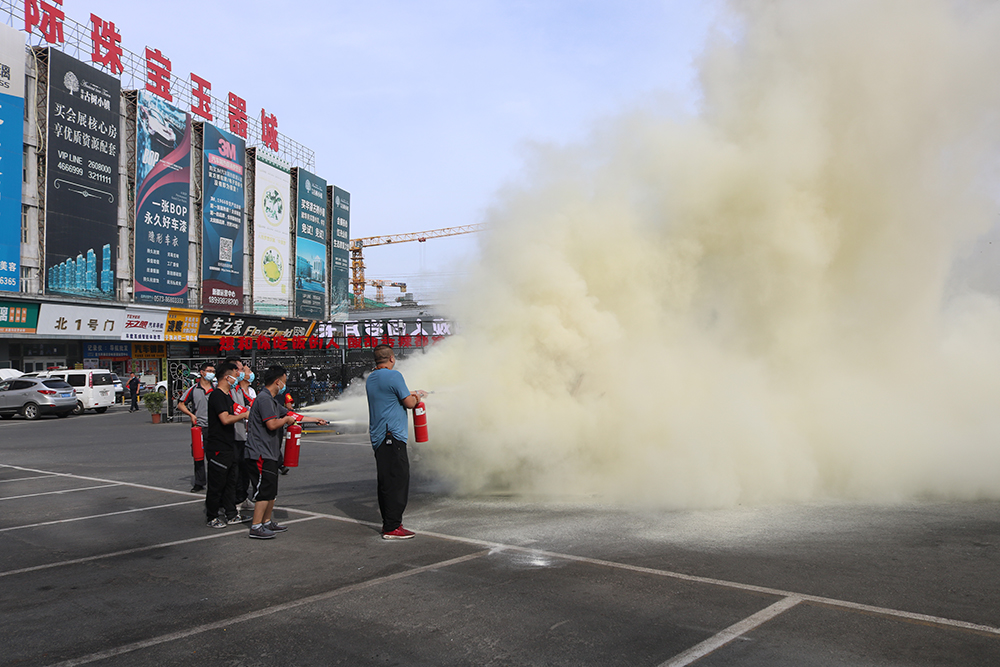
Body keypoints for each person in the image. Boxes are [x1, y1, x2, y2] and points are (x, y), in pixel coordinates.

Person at [244, 364, 326, 539]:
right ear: (277, 381)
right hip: (260, 453)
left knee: (271, 490)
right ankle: (256, 526)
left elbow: (292, 415)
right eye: (284, 382)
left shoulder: (271, 400)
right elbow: (272, 424)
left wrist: (315, 419)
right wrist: (286, 420)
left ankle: (266, 522)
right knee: (263, 490)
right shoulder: (264, 399)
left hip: (270, 452)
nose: (285, 385)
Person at [366, 344, 427, 540]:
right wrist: (417, 396)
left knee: (386, 481)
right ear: (392, 358)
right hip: (391, 436)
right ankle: (392, 527)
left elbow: (392, 397)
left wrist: (411, 394)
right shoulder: (394, 376)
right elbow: (409, 403)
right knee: (397, 480)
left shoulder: (372, 378)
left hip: (379, 437)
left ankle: (390, 522)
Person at [204, 361, 249, 528]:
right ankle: (212, 516)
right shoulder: (217, 396)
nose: (236, 378)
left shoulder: (227, 396)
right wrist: (244, 415)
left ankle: (231, 514)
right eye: (235, 375)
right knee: (217, 484)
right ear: (226, 377)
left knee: (231, 481)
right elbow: (225, 419)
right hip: (218, 447)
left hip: (229, 446)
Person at [177, 362, 214, 493]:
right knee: (198, 456)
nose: (211, 373)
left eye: (213, 371)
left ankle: (214, 481)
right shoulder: (193, 389)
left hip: (214, 428)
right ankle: (199, 482)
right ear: (202, 372)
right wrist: (191, 415)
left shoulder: (215, 388)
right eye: (209, 370)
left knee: (213, 456)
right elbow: (180, 404)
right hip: (199, 428)